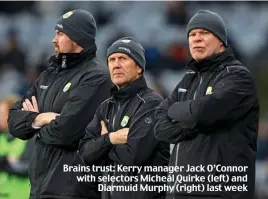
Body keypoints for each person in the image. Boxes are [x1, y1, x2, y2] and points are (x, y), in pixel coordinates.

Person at [154, 10, 259, 199]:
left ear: (221, 41)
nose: (197, 39)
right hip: (180, 191)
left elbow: (201, 112)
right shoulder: (188, 80)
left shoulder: (237, 76)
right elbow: (159, 127)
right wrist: (191, 124)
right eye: (192, 35)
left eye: (204, 33)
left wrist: (176, 111)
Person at [8, 9, 112, 199]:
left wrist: (33, 127)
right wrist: (41, 118)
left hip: (74, 191)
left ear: (78, 39)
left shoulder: (98, 77)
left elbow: (66, 132)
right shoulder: (49, 75)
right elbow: (13, 122)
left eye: (60, 34)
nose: (53, 40)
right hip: (39, 189)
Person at [78, 37, 170, 199]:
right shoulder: (106, 107)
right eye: (112, 59)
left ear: (139, 68)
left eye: (123, 58)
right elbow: (84, 154)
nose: (116, 64)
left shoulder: (151, 104)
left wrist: (101, 147)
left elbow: (134, 156)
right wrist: (111, 138)